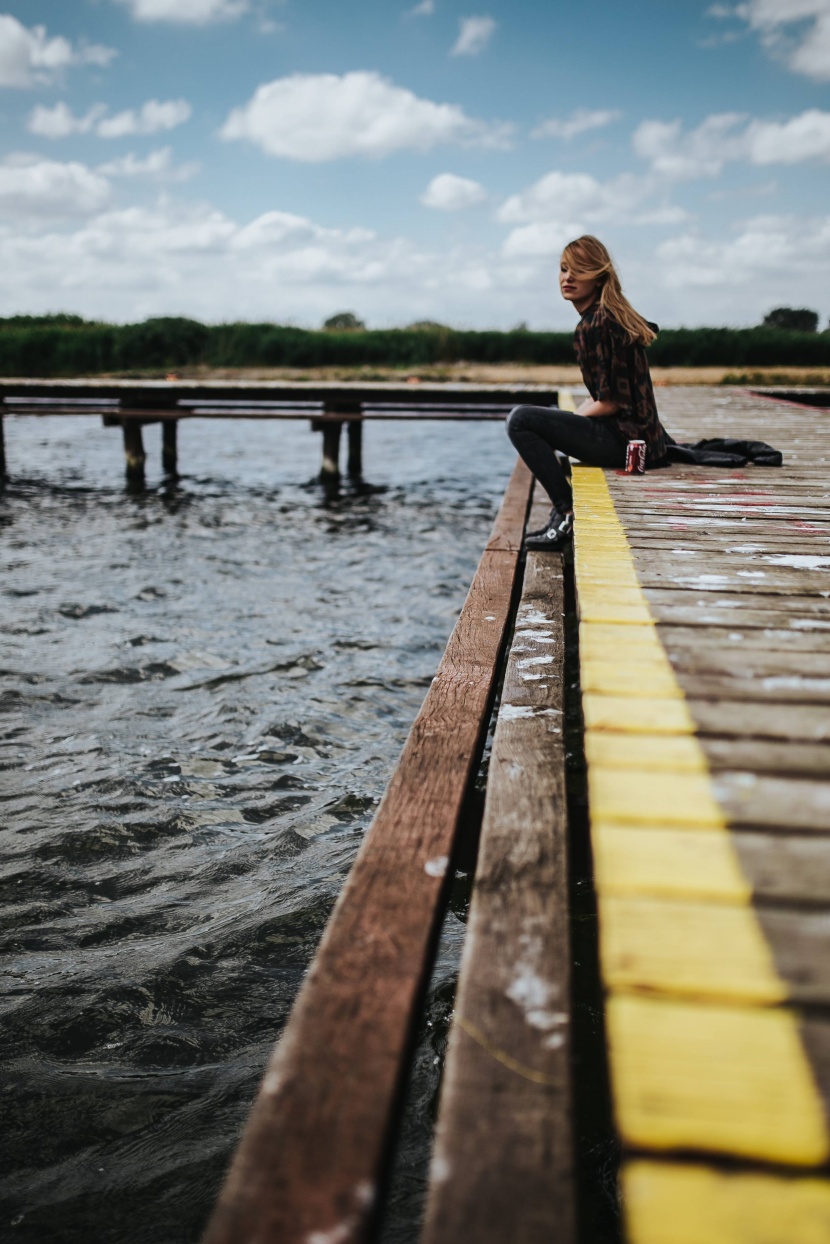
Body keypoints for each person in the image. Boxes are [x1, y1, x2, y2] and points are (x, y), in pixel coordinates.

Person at [506, 234, 669, 550]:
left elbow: (610, 403)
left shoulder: (595, 325)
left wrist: (566, 424)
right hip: (646, 444)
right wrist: (569, 425)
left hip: (626, 445)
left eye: (578, 270)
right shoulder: (608, 317)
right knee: (543, 423)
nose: (568, 278)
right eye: (564, 269)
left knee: (520, 420)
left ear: (597, 277)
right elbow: (607, 397)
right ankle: (562, 512)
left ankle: (566, 514)